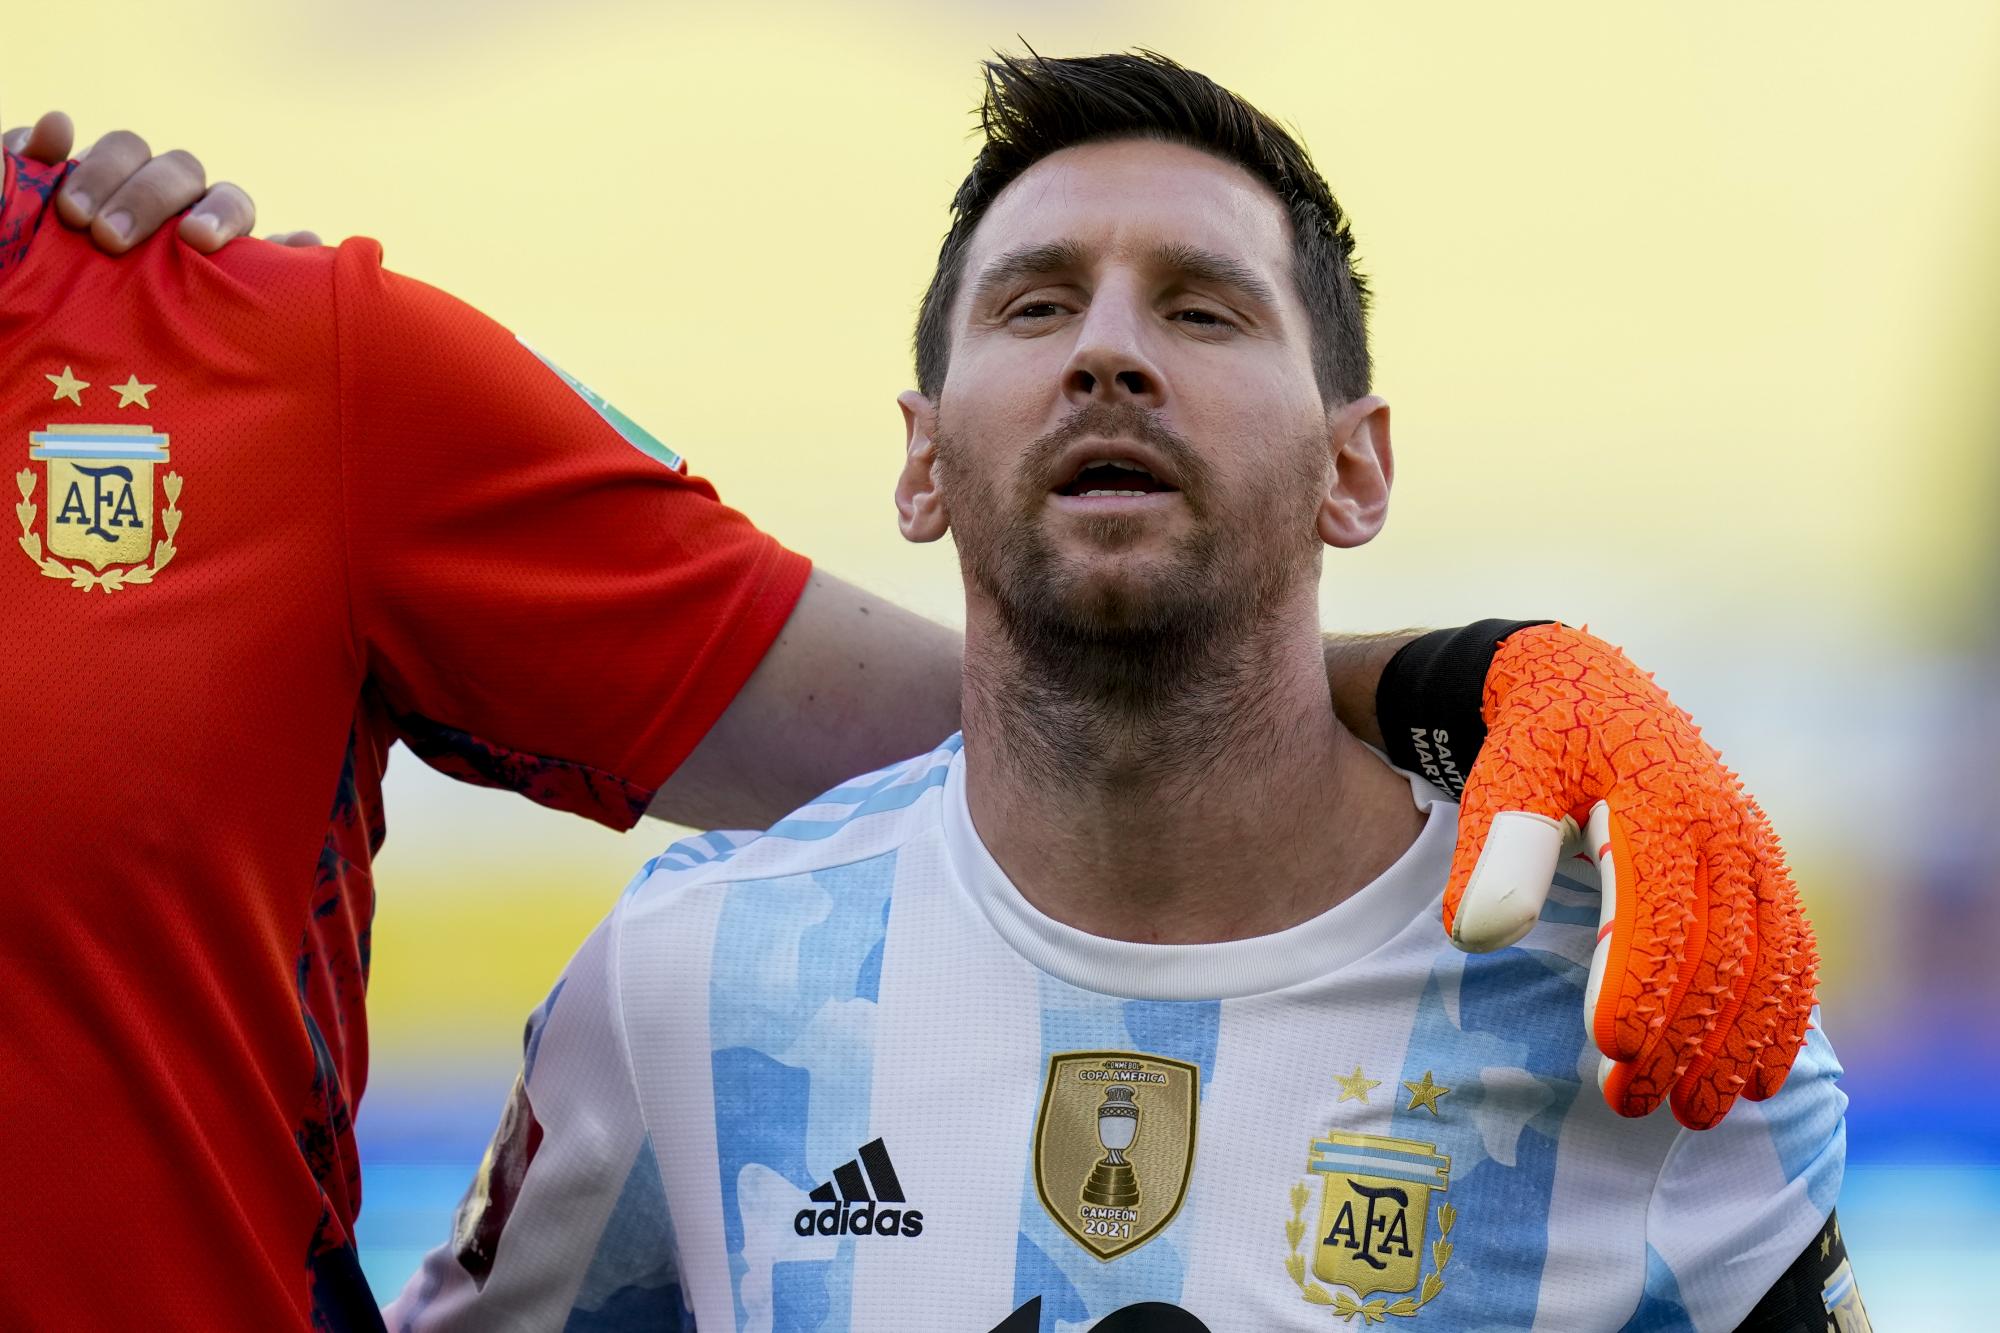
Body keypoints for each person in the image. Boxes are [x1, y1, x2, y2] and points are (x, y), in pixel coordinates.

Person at [0, 91, 1813, 1331]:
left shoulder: (227, 350)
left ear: (1359, 466)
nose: (1112, 349)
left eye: (1203, 309)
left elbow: (1013, 714)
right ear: (920, 455)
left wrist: (1475, 679)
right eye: (1039, 305)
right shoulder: (686, 991)